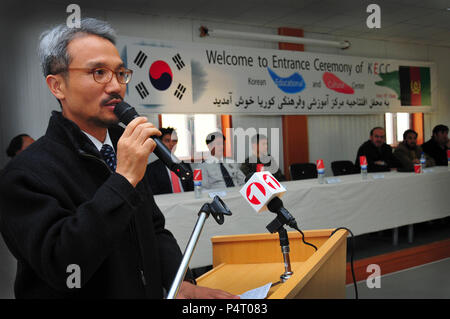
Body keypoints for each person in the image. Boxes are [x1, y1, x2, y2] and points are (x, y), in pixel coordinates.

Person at [0, 18, 237, 299]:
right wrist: (123, 180)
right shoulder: (24, 174)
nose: (115, 86)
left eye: (120, 73)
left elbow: (154, 229)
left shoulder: (120, 150)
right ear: (57, 86)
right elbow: (64, 266)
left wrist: (179, 283)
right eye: (98, 72)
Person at [146, 127, 194, 195]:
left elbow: (191, 188)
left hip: (185, 200)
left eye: (174, 141)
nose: (172, 144)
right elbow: (154, 194)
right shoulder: (151, 168)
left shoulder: (185, 165)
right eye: (167, 141)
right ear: (160, 143)